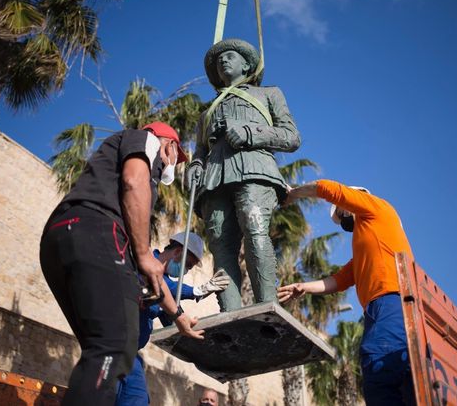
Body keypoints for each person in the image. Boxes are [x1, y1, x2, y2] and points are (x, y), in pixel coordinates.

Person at [40, 122, 204, 406]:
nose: (175, 164)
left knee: (103, 350)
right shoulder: (146, 140)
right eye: (177, 157)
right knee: (113, 346)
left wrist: (178, 317)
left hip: (59, 239)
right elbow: (133, 181)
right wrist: (141, 252)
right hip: (96, 231)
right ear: (170, 145)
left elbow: (152, 277)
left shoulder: (123, 222)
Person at [186, 38, 301, 312]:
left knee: (255, 228)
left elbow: (292, 137)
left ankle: (266, 305)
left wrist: (249, 132)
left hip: (254, 169)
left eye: (230, 56)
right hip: (214, 179)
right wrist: (194, 167)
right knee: (220, 243)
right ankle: (230, 312)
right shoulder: (207, 113)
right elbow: (201, 150)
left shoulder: (269, 94)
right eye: (218, 60)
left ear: (246, 64)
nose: (223, 61)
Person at [278, 180, 416, 406]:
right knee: (401, 376)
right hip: (379, 307)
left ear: (356, 198)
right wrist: (304, 287)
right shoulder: (368, 239)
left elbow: (328, 189)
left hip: (391, 300)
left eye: (342, 213)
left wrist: (295, 194)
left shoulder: (375, 208)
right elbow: (341, 279)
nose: (342, 221)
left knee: (379, 364)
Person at [116, 232, 229, 406]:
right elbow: (161, 285)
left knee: (137, 399)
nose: (185, 270)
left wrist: (196, 330)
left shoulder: (169, 295)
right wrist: (196, 291)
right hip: (113, 345)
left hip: (131, 354)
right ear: (177, 252)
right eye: (188, 265)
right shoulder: (143, 261)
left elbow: (173, 317)